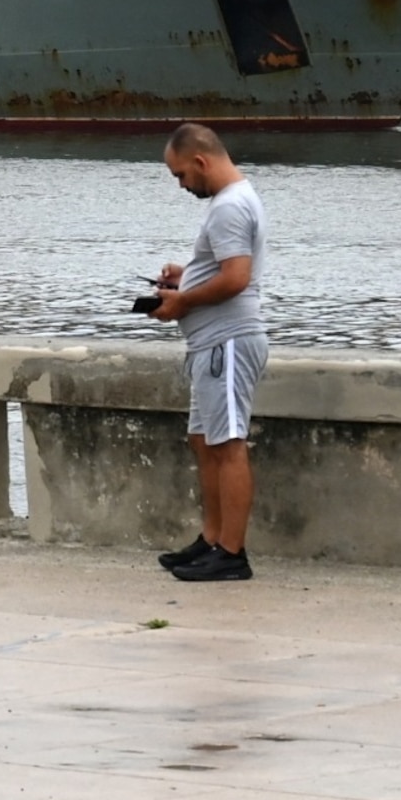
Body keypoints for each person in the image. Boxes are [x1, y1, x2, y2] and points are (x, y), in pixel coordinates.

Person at [148, 122, 267, 583]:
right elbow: (224, 268)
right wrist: (189, 274)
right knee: (206, 441)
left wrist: (182, 300)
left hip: (228, 341)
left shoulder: (229, 207)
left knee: (228, 444)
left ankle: (231, 554)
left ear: (200, 161)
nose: (181, 185)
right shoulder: (235, 201)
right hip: (212, 344)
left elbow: (237, 278)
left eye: (180, 175)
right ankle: (213, 539)